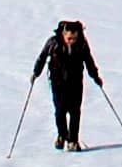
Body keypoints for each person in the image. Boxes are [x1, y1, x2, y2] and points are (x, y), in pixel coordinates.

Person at [30, 19, 104, 152]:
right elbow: (42, 57)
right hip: (58, 82)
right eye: (69, 38)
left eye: (74, 38)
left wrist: (95, 76)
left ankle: (73, 140)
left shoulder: (82, 44)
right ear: (63, 34)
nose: (72, 41)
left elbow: (89, 60)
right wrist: (36, 73)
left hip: (75, 82)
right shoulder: (53, 43)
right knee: (60, 110)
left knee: (75, 111)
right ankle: (62, 135)